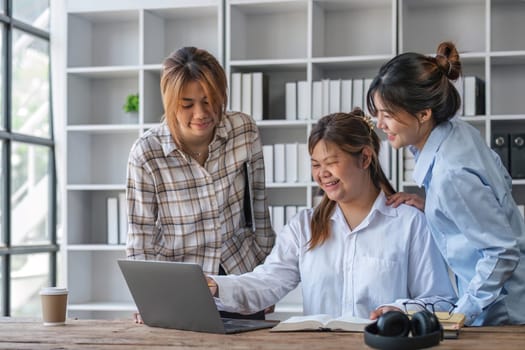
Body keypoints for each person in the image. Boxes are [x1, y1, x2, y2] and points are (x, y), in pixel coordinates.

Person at [207, 110, 457, 320]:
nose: (322, 173)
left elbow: (441, 301)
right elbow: (266, 282)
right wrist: (217, 287)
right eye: (316, 164)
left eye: (331, 162)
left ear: (365, 158)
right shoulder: (303, 227)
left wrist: (399, 310)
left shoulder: (409, 222)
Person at [367, 41, 525, 326]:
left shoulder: (449, 174)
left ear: (424, 114)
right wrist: (436, 207)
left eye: (387, 114)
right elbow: (498, 186)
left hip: (505, 313)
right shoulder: (457, 132)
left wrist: (458, 314)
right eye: (378, 113)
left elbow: (502, 251)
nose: (380, 124)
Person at [125, 46, 276, 320]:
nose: (201, 113)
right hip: (178, 289)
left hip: (239, 278)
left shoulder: (244, 130)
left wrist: (265, 283)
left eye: (209, 100)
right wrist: (147, 298)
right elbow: (141, 237)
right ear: (170, 102)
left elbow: (259, 208)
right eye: (187, 104)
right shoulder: (146, 152)